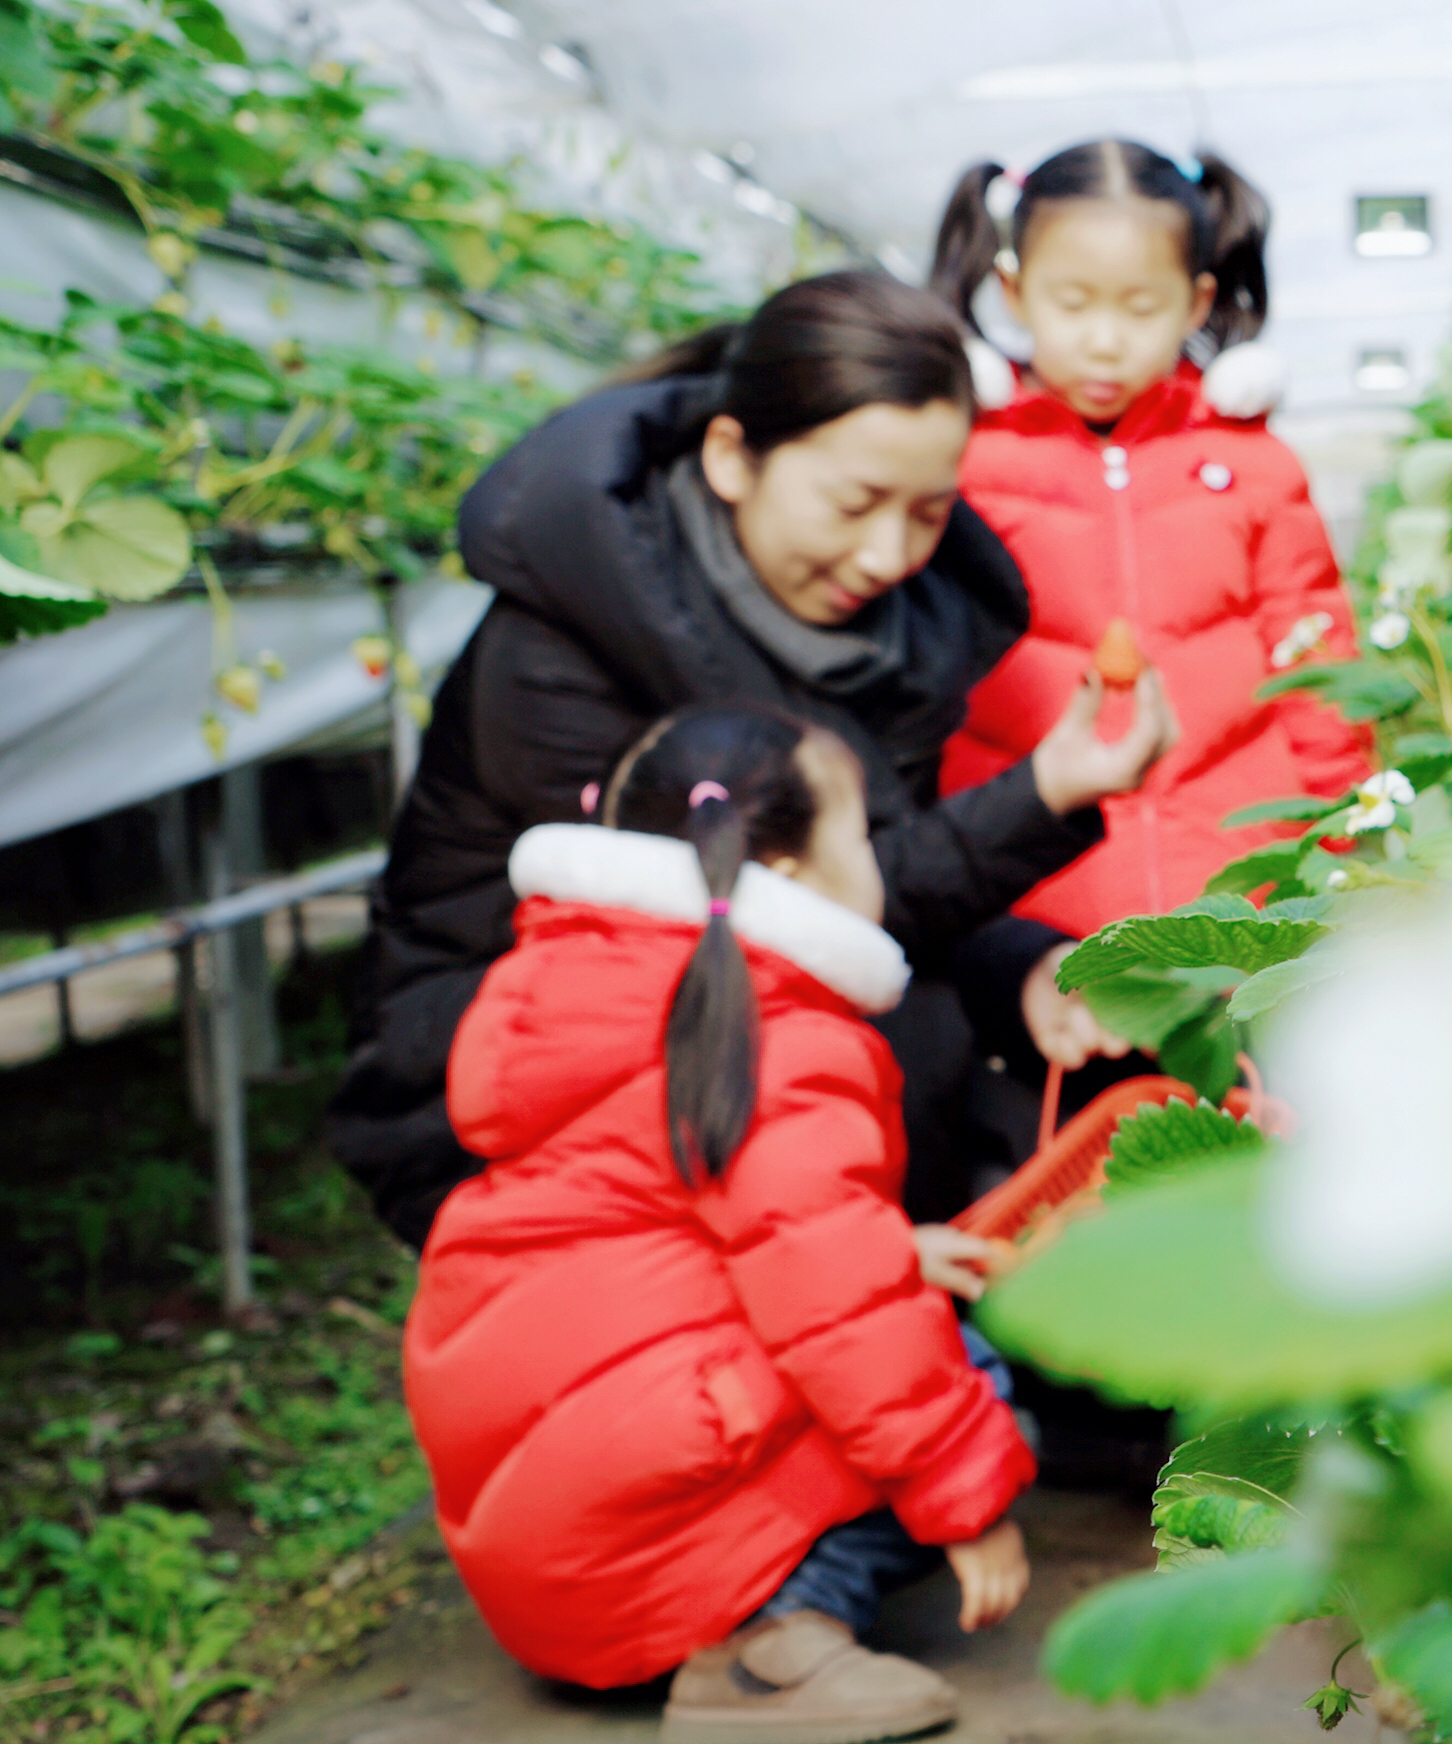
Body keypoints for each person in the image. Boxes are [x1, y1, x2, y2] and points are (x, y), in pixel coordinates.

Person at [327, 270, 1178, 1245]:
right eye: (855, 502)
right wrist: (1037, 797)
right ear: (733, 458)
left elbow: (866, 868)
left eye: (930, 513)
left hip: (734, 1038)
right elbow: (774, 917)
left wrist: (1023, 970)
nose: (889, 554)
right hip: (509, 1094)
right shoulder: (562, 651)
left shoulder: (876, 634)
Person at [408, 706, 1029, 1741]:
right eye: (863, 834)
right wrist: (969, 1501)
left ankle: (730, 1600)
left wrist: (894, 1252)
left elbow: (671, 1228)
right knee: (972, 1375)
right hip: (637, 1547)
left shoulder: (556, 984)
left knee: (885, 1309)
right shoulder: (779, 1027)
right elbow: (838, 1305)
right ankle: (768, 1646)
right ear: (785, 873)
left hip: (544, 1551)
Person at [925, 141, 1373, 1077]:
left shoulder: (1251, 466)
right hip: (1043, 922)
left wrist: (1344, 862)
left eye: (1140, 308)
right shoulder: (965, 465)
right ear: (1012, 292)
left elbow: (1317, 671)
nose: (1103, 339)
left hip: (1240, 907)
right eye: (1071, 302)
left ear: (1198, 304)